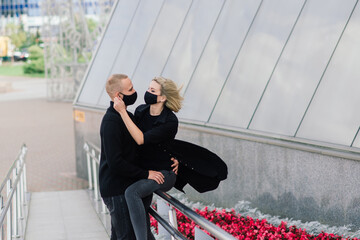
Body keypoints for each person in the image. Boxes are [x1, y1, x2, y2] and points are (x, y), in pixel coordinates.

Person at [99, 74, 174, 240]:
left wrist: (172, 159)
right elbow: (115, 163)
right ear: (119, 96)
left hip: (125, 185)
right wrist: (146, 174)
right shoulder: (112, 121)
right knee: (128, 236)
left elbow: (150, 143)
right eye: (130, 89)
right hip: (117, 189)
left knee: (128, 235)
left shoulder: (128, 117)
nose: (136, 92)